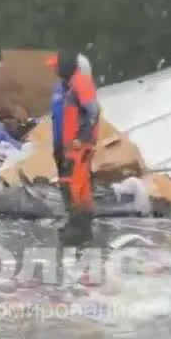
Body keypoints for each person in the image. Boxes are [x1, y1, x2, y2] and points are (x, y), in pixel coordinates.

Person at [48, 50, 100, 245]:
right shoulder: (68, 87)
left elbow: (93, 112)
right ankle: (76, 226)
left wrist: (82, 137)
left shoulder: (81, 84)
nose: (55, 70)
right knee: (72, 188)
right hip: (68, 147)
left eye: (58, 66)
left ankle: (80, 230)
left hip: (78, 148)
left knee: (77, 188)